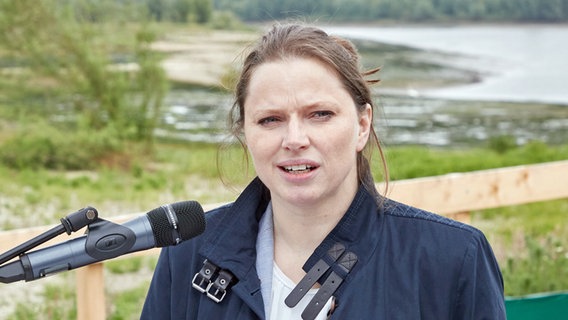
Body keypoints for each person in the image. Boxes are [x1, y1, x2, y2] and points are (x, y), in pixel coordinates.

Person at [141, 23, 506, 319]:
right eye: (270, 119)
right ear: (245, 134)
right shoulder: (188, 254)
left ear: (362, 125)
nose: (295, 139)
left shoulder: (452, 258)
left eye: (320, 115)